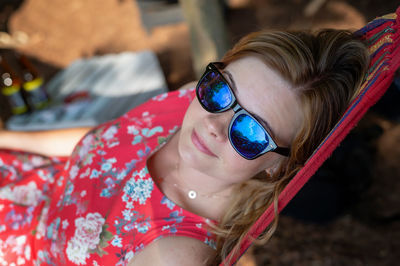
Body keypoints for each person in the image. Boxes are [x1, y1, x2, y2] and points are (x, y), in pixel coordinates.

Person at [0, 29, 369, 265]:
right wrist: (7, 138)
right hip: (26, 183)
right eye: (223, 90)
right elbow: (105, 138)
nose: (213, 124)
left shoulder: (173, 255)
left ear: (278, 166)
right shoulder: (196, 97)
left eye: (252, 133)